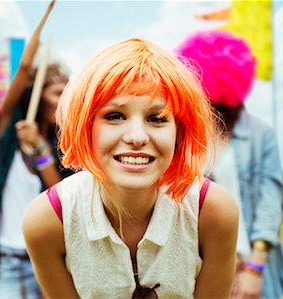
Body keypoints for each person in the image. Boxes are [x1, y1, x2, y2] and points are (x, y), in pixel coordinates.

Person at [22, 37, 239, 298]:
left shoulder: (212, 211)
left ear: (179, 132)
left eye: (157, 118)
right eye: (115, 116)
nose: (137, 136)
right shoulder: (48, 220)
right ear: (85, 125)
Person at [176, 30, 283, 299]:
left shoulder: (260, 134)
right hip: (197, 266)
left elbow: (269, 201)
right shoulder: (181, 134)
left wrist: (255, 266)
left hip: (248, 262)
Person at [0, 1, 72, 298]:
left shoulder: (60, 147)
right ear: (39, 94)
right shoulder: (7, 131)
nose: (65, 101)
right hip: (11, 261)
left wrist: (38, 150)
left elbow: (60, 196)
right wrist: (46, 15)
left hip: (52, 260)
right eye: (59, 93)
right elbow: (24, 68)